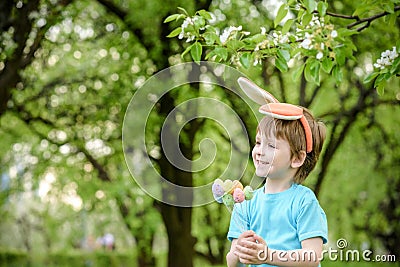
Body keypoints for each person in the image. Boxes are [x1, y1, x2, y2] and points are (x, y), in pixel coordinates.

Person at [226, 101, 328, 267]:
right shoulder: (245, 203)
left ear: (297, 159)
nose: (259, 151)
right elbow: (232, 262)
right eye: (258, 143)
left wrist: (268, 255)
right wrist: (239, 252)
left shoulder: (304, 201)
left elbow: (312, 257)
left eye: (271, 146)